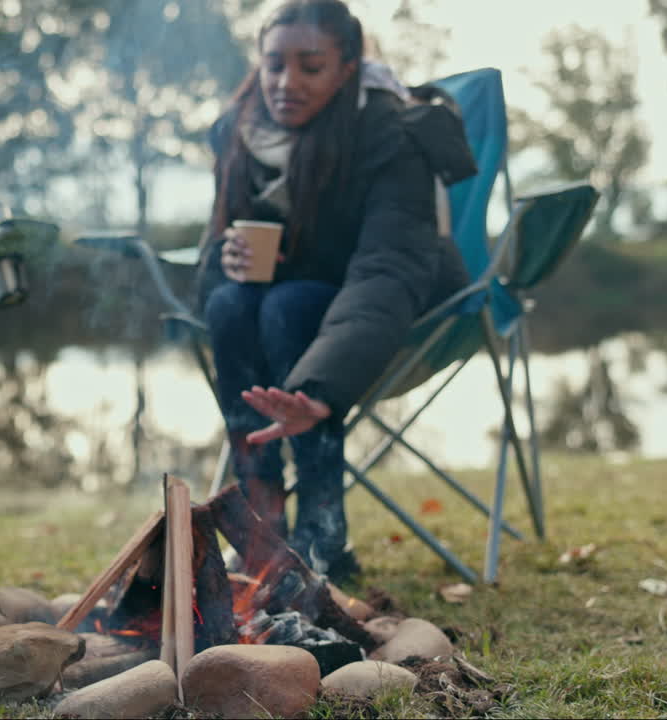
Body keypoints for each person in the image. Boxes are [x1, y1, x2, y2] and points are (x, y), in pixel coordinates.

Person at [199, 0, 471, 581]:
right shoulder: (241, 131)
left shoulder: (392, 132)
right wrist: (226, 260)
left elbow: (389, 266)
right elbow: (212, 255)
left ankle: (322, 538)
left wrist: (320, 387)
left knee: (287, 305)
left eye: (310, 66)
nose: (285, 83)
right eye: (274, 64)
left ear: (348, 67)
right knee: (228, 303)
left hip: (396, 313)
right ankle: (260, 535)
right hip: (298, 309)